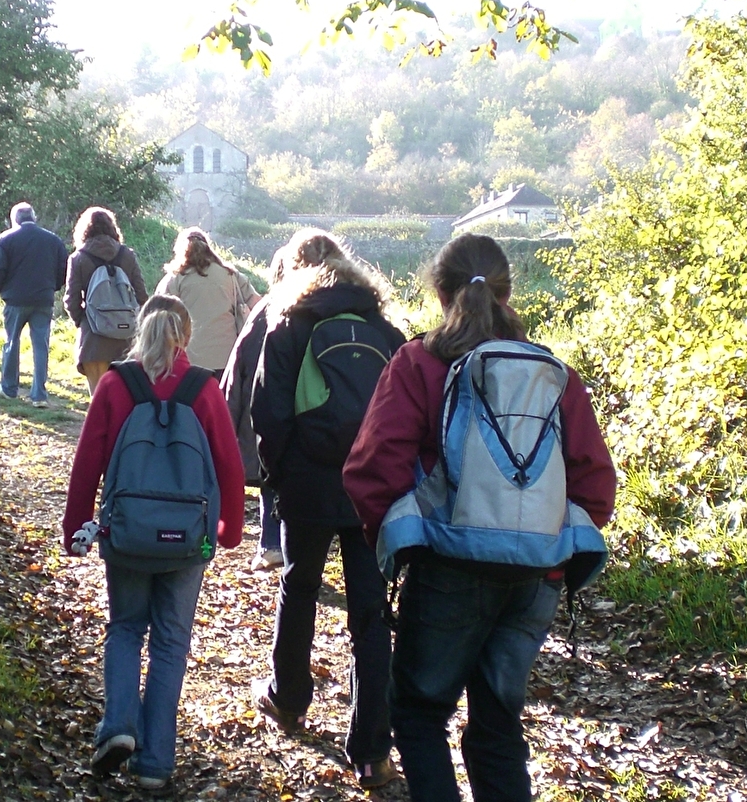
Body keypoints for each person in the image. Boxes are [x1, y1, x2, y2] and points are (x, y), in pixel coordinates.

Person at [343, 234, 616, 802]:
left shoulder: (418, 363)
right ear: (507, 292)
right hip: (535, 577)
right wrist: (549, 548)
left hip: (448, 566)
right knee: (498, 726)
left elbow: (372, 467)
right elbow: (594, 482)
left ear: (440, 293)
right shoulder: (552, 373)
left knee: (419, 712)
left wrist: (405, 542)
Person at [61, 295, 247, 792]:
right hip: (186, 540)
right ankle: (155, 763)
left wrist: (75, 524)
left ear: (141, 332)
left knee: (124, 628)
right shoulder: (204, 390)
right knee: (170, 641)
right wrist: (229, 528)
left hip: (127, 534)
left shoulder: (115, 385)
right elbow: (230, 465)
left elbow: (87, 461)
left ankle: (119, 726)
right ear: (184, 336)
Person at [249, 229, 406, 789]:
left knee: (300, 588)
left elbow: (266, 411)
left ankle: (289, 699)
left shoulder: (289, 326)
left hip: (309, 484)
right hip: (372, 491)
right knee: (371, 615)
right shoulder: (388, 332)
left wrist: (280, 476)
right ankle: (371, 751)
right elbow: (404, 417)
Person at [221, 248, 290, 571]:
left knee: (269, 475)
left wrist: (228, 421)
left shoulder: (268, 308)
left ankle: (272, 544)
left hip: (267, 405)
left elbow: (240, 365)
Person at [0, 202, 68, 406]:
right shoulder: (53, 240)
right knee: (41, 346)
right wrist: (53, 287)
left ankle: (9, 388)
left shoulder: (5, 239)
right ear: (34, 217)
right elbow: (64, 269)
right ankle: (39, 394)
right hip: (43, 298)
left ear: (14, 219)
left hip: (15, 299)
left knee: (12, 342)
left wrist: (2, 290)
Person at [156, 228, 259, 380]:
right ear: (209, 248)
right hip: (227, 358)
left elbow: (156, 311)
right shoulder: (231, 274)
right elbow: (258, 304)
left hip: (188, 358)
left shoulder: (175, 278)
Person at [65, 207, 149, 393]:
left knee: (98, 402)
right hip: (126, 339)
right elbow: (142, 295)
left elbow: (71, 300)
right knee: (126, 400)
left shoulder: (78, 258)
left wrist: (84, 321)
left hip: (94, 340)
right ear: (113, 228)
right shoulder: (127, 255)